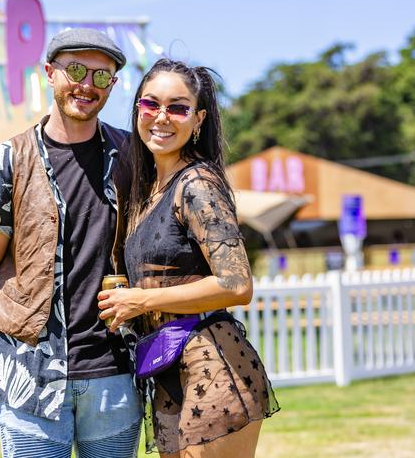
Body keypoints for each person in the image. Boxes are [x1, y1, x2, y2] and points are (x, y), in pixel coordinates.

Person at [0, 28, 142, 458]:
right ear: (49, 73)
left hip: (113, 375)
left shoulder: (132, 155)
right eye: (76, 69)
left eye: (102, 77)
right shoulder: (6, 160)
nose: (88, 85)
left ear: (113, 86)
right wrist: (24, 330)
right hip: (31, 378)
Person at [98, 58, 279, 457]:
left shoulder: (196, 183)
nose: (162, 117)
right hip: (166, 370)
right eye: (151, 104)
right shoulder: (147, 192)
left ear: (197, 120)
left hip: (213, 366)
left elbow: (237, 284)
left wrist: (140, 300)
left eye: (178, 108)